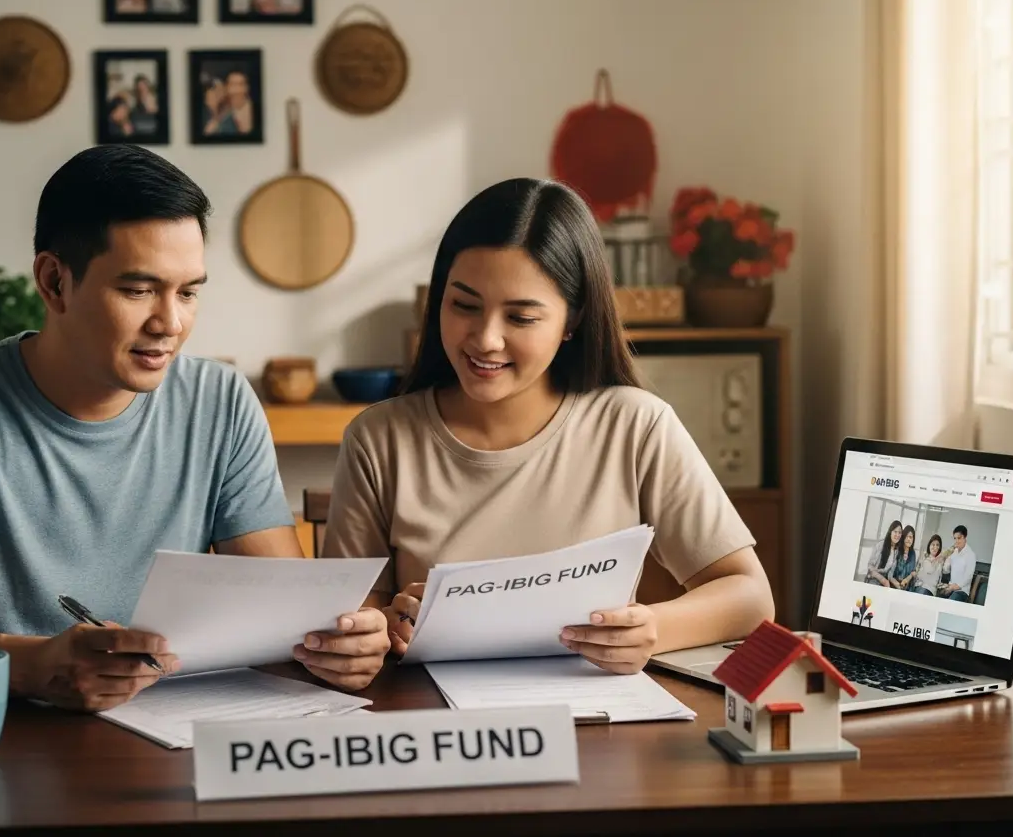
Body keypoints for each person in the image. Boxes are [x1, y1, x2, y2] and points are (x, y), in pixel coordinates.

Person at [0, 145, 389, 711]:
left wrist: (338, 641)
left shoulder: (220, 401)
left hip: (172, 734)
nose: (170, 323)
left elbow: (285, 609)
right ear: (54, 281)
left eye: (189, 291)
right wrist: (34, 666)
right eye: (138, 290)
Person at [320, 178, 775, 684]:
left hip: (604, 727)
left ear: (571, 320)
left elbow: (750, 596)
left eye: (520, 316)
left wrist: (653, 628)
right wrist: (386, 628)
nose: (486, 338)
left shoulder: (636, 426)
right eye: (464, 305)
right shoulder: (379, 439)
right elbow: (356, 624)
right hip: (442, 734)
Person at [939, 525, 977, 602]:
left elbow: (968, 577)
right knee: (936, 597)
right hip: (950, 587)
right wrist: (948, 558)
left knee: (950, 602)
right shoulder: (954, 552)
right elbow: (946, 571)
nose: (956, 541)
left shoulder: (971, 555)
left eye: (959, 538)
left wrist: (954, 587)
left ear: (965, 537)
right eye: (955, 538)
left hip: (962, 591)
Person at [864, 520, 903, 587]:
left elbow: (890, 575)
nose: (897, 535)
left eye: (899, 532)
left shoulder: (896, 551)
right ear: (890, 532)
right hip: (873, 578)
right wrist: (883, 580)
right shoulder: (880, 545)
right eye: (895, 532)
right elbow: (870, 566)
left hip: (885, 581)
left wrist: (897, 584)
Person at [889, 525, 918, 590]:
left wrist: (907, 579)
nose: (908, 539)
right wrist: (897, 585)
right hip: (893, 585)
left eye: (911, 537)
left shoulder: (913, 553)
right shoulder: (897, 550)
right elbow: (889, 572)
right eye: (906, 536)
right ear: (903, 537)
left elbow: (913, 571)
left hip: (907, 587)